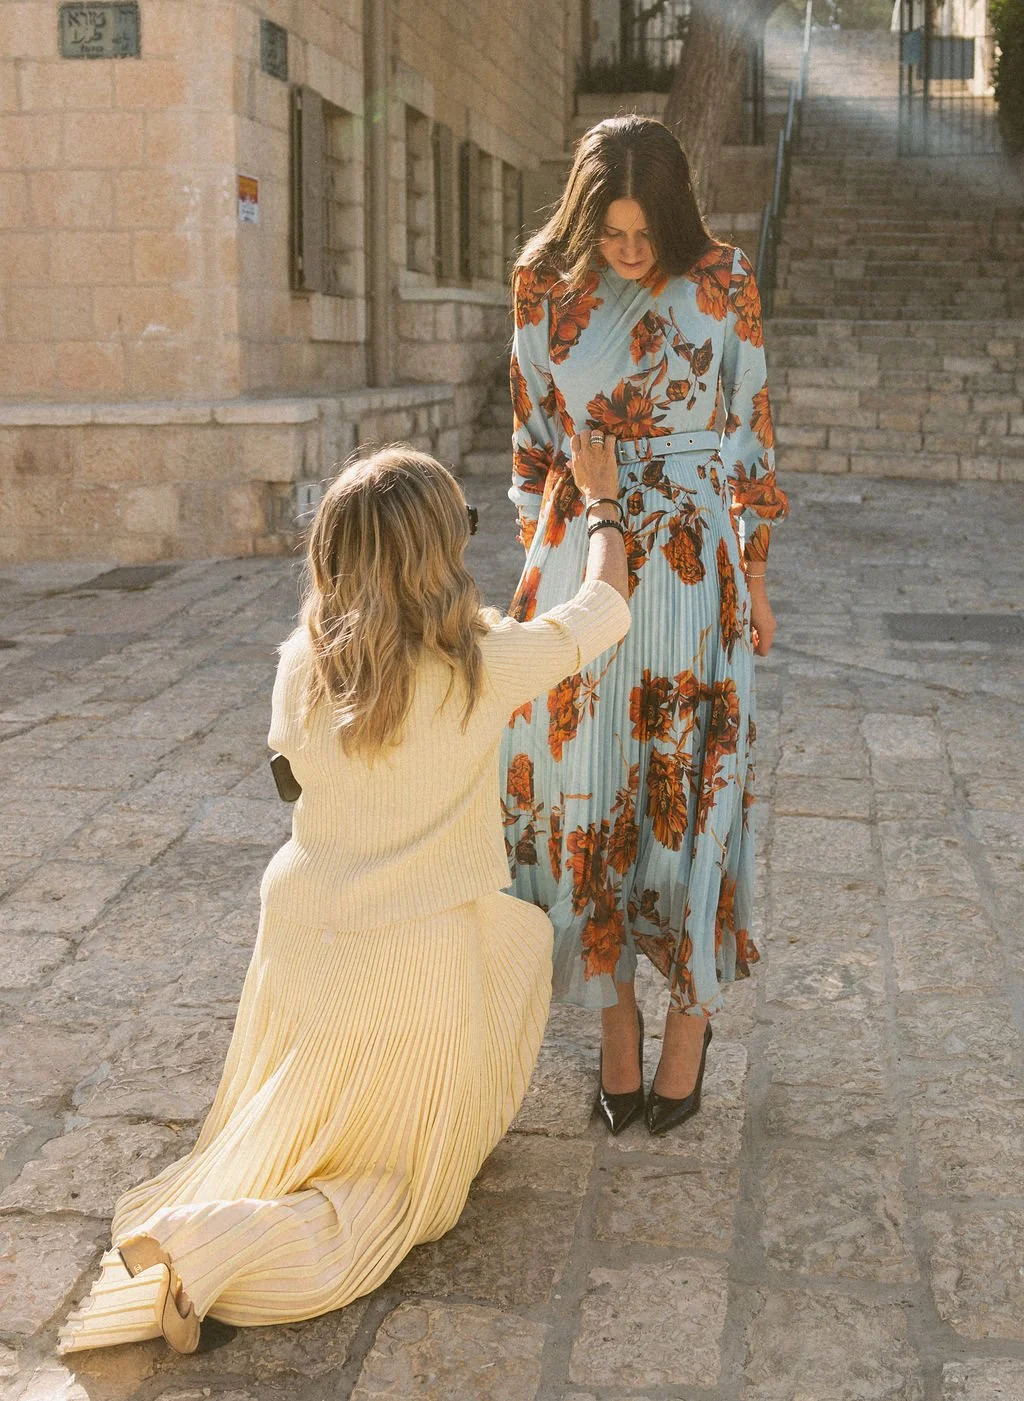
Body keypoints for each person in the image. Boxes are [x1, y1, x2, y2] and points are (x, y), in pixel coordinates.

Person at [59, 444, 630, 1355]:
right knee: (403, 1193)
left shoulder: (301, 663)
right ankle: (218, 1250)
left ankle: (219, 1219)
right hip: (412, 952)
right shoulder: (482, 667)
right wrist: (602, 506)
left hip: (301, 938)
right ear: (438, 555)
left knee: (310, 1126)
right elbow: (603, 610)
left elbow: (291, 780)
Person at [501, 115, 789, 1137]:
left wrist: (752, 576)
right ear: (587, 218)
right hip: (588, 556)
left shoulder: (722, 279)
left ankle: (691, 1015)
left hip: (695, 569)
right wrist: (542, 566)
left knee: (690, 792)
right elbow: (535, 445)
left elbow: (749, 432)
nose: (628, 252)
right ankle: (613, 1012)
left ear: (672, 213)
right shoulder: (544, 282)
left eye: (643, 233)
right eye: (611, 233)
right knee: (589, 796)